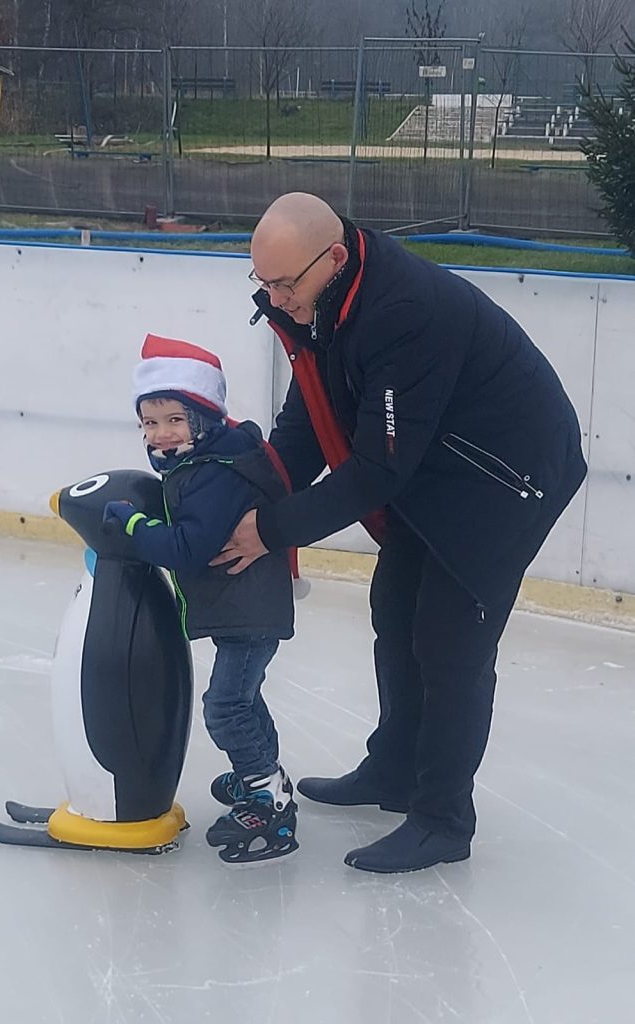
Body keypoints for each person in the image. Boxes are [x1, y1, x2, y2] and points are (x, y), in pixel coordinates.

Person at [211, 192, 588, 874]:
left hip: (506, 477)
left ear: (330, 259)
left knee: (449, 642)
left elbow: (375, 471)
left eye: (283, 284)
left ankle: (443, 818)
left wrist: (270, 528)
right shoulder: (323, 303)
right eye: (259, 282)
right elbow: (306, 428)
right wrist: (229, 493)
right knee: (394, 610)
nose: (272, 298)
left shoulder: (401, 312)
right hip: (435, 463)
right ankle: (393, 770)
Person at [102, 333, 299, 864]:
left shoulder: (214, 473)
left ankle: (268, 799)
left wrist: (134, 523)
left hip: (250, 611)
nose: (160, 434)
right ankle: (263, 776)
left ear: (203, 419)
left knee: (226, 706)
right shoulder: (205, 462)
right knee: (242, 700)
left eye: (174, 420)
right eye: (150, 422)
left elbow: (188, 548)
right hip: (246, 606)